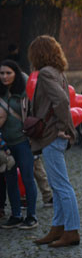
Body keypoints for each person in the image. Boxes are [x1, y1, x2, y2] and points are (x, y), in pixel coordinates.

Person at [26, 36, 80, 248]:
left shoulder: (47, 73)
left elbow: (62, 101)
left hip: (51, 134)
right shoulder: (57, 72)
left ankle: (72, 230)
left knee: (61, 185)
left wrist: (61, 128)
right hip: (53, 134)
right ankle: (58, 228)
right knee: (58, 186)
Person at [0, 60, 38, 229]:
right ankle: (16, 214)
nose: (4, 76)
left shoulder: (24, 92)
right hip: (5, 144)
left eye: (8, 73)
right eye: (1, 73)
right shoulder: (0, 93)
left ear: (16, 73)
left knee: (28, 178)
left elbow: (33, 113)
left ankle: (31, 215)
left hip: (23, 142)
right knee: (10, 179)